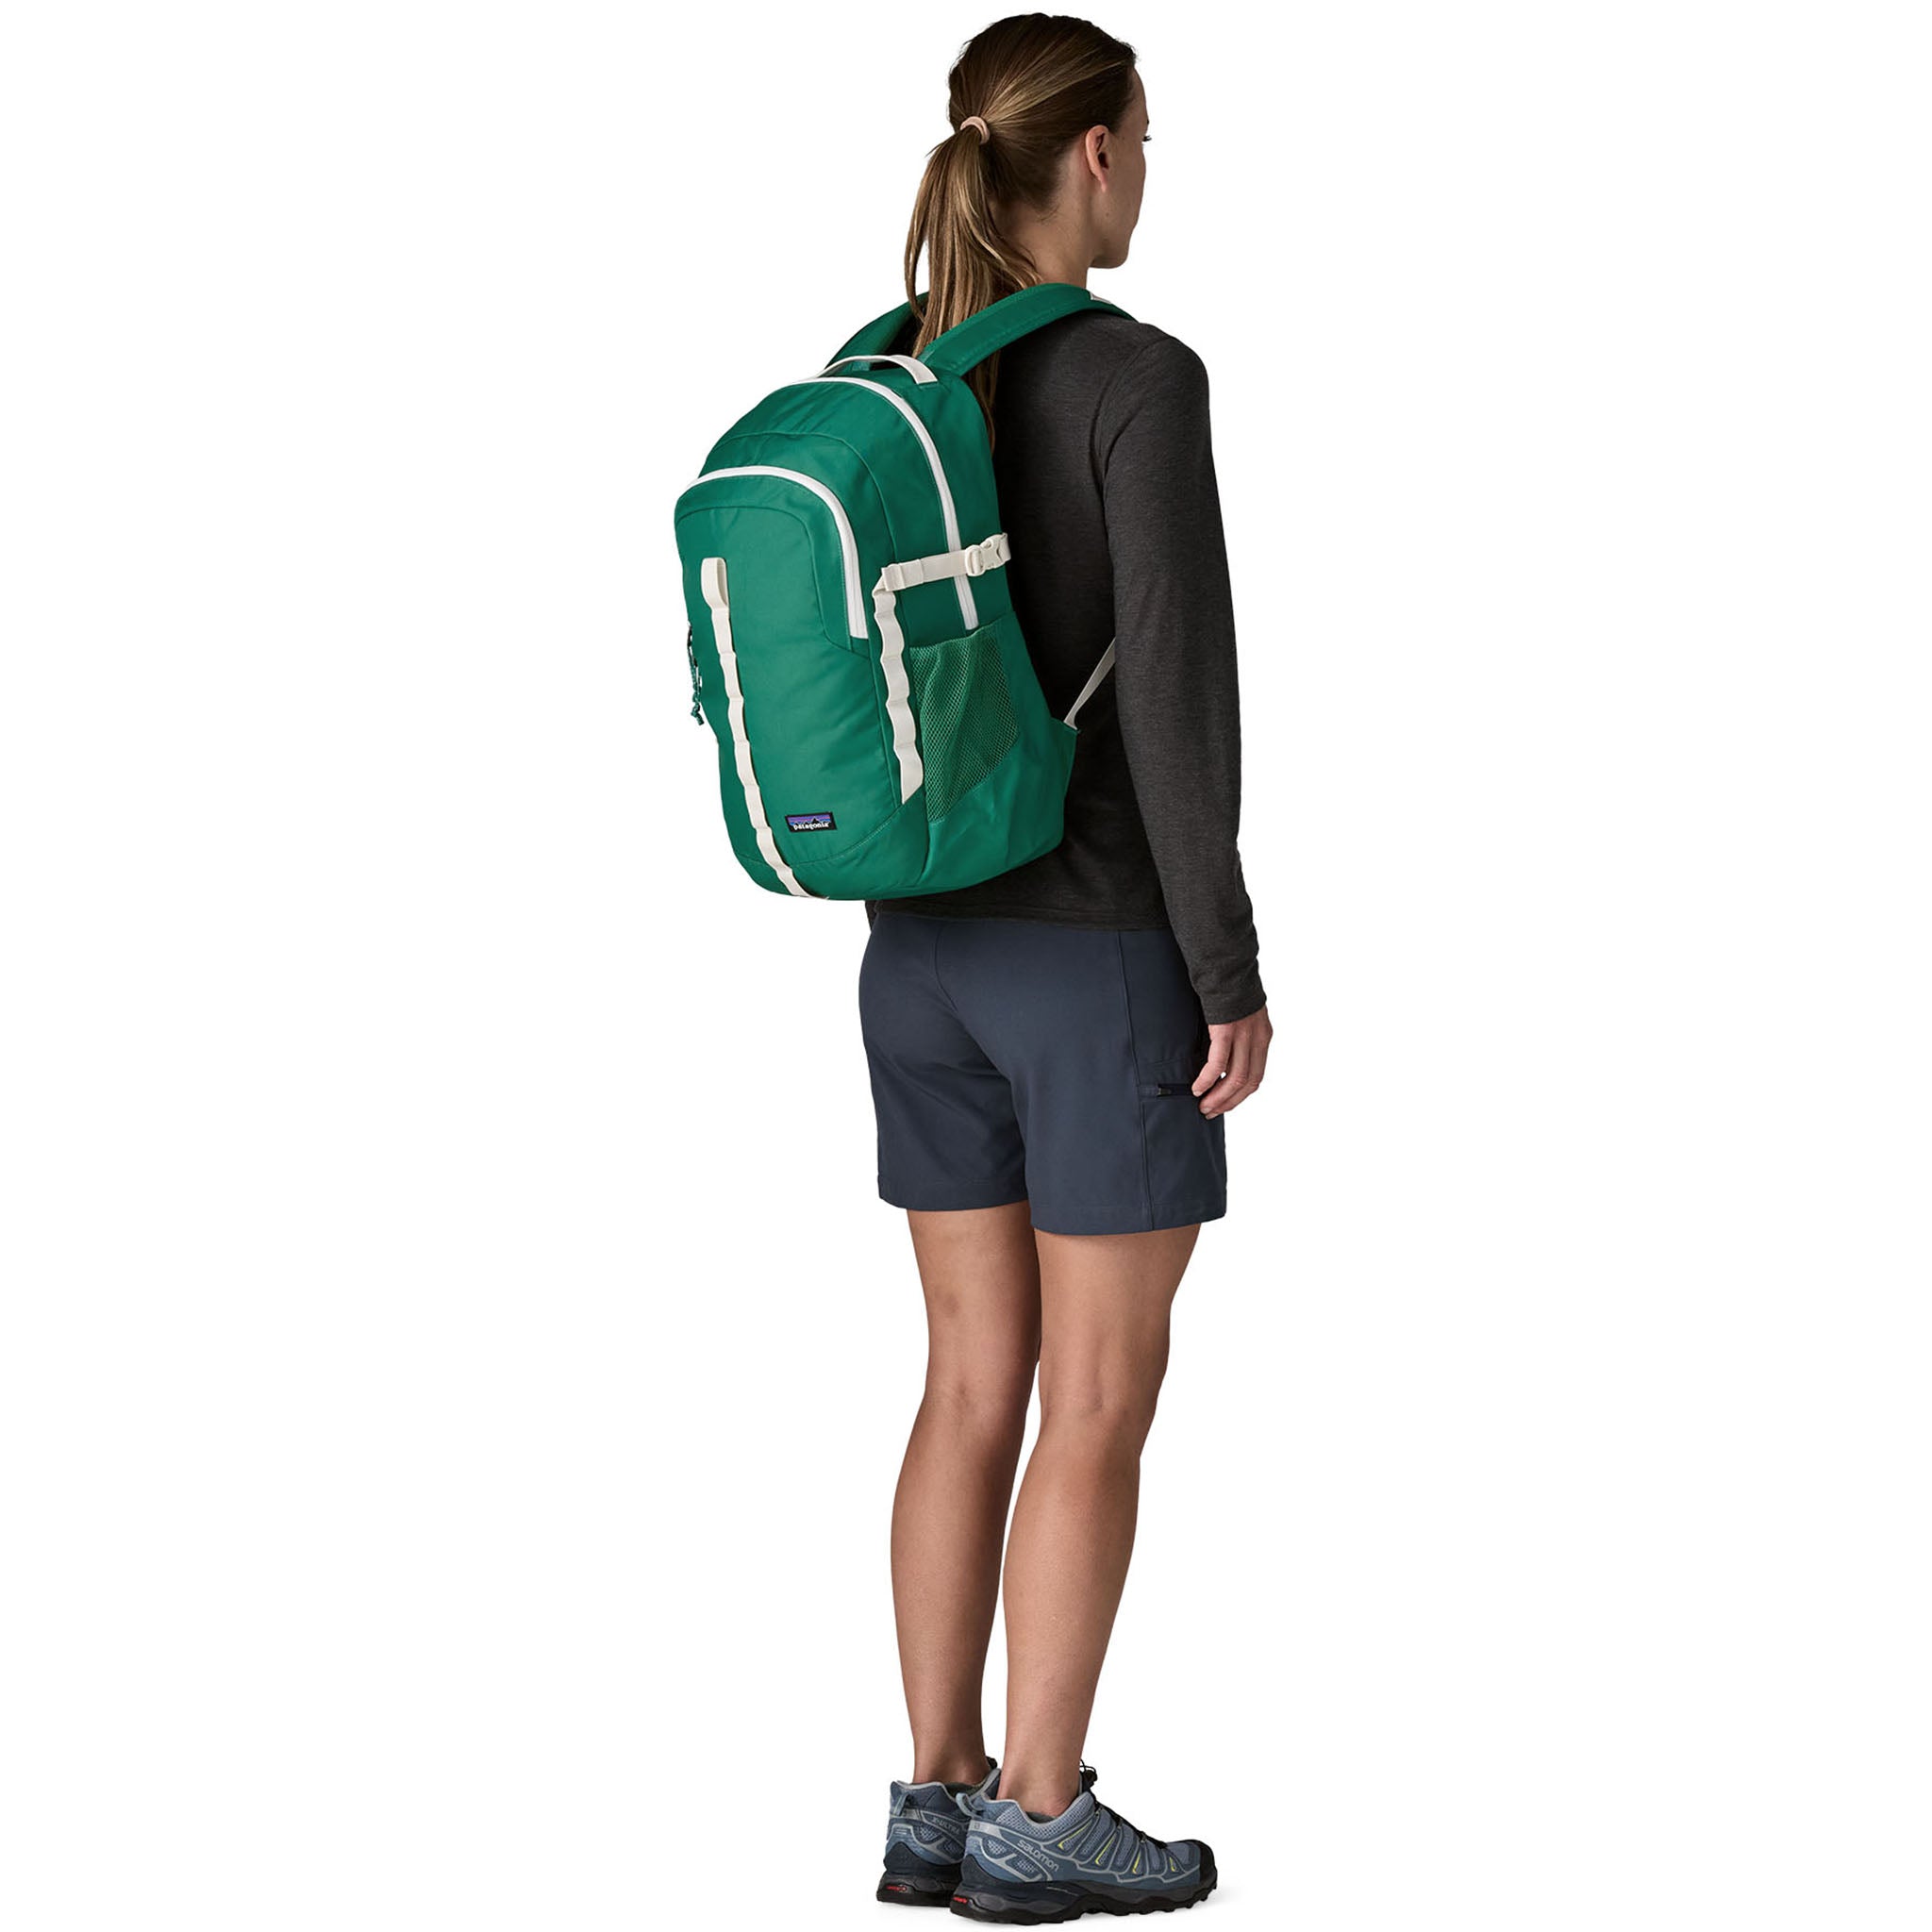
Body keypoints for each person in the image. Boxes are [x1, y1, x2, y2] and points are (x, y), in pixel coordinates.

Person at [861, 16, 1268, 1919]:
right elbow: (1176, 702)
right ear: (1093, 153)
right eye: (1145, 137)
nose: (1148, 170)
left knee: (968, 1382)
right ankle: (1039, 1818)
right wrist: (1226, 967)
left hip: (917, 958)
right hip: (1095, 956)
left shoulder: (890, 372)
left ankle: (933, 1793)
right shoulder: (1134, 377)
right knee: (1094, 1397)